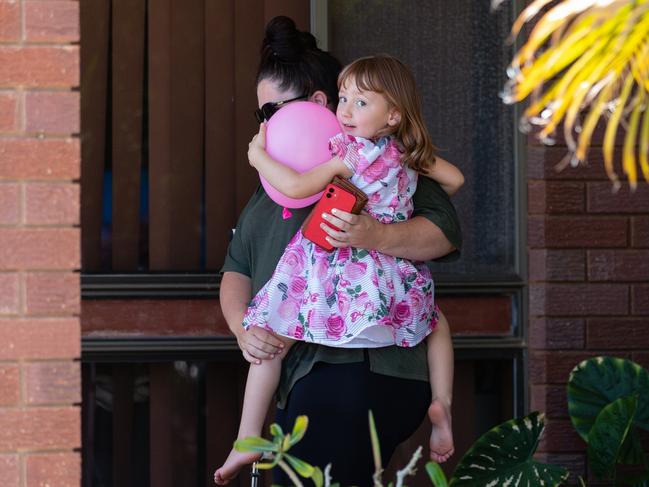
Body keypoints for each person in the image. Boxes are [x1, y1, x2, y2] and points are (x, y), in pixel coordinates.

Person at [215, 16, 459, 487]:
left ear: (316, 105)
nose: (265, 125)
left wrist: (371, 234)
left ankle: (246, 439)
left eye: (270, 112)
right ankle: (247, 439)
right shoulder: (268, 195)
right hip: (298, 377)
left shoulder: (371, 160)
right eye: (259, 116)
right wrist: (242, 329)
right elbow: (237, 267)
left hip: (356, 367)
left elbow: (443, 233)